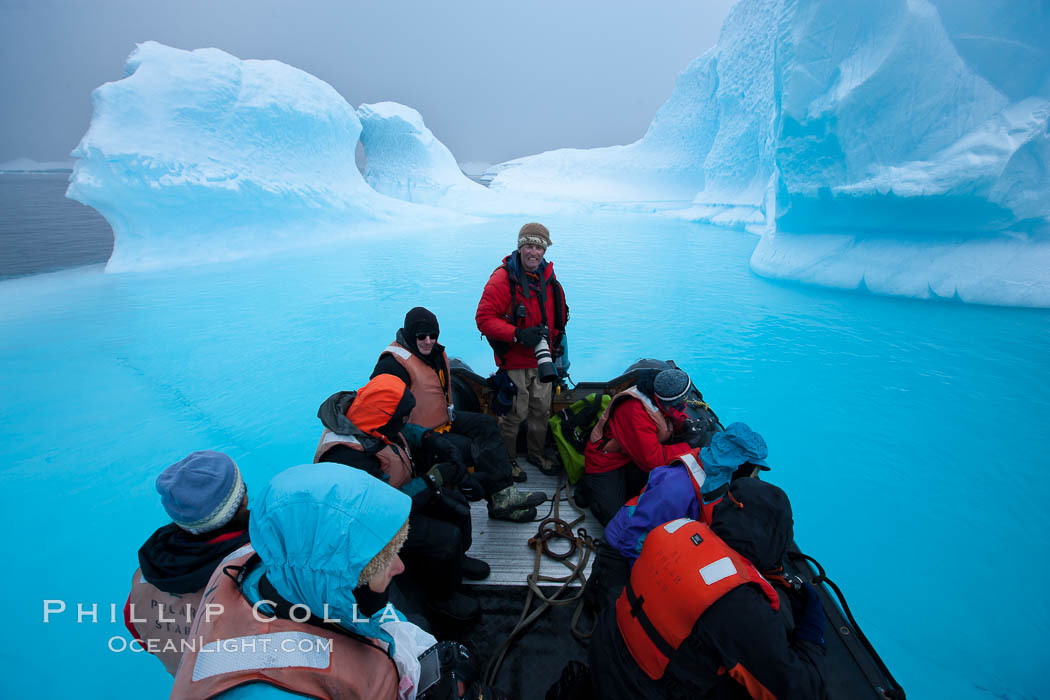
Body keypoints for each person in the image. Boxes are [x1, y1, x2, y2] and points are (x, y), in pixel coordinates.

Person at [171, 463, 506, 699]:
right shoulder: (270, 689)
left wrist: (422, 652)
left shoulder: (269, 562)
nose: (400, 568)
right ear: (337, 580)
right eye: (383, 561)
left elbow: (377, 618)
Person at [588, 478, 827, 699]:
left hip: (605, 656)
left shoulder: (676, 529)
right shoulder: (740, 605)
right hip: (636, 691)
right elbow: (800, 691)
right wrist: (812, 636)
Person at [314, 374, 486, 624]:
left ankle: (459, 561)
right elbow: (383, 507)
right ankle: (442, 598)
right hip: (373, 526)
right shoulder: (347, 456)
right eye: (403, 416)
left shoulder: (372, 418)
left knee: (457, 508)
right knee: (444, 538)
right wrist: (432, 480)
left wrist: (430, 438)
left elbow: (404, 430)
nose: (406, 420)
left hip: (402, 496)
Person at [371, 306, 546, 523]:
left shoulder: (433, 353)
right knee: (463, 447)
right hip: (418, 436)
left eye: (432, 335)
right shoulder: (392, 366)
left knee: (486, 425)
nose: (428, 341)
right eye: (421, 336)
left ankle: (503, 495)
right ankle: (488, 501)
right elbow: (379, 410)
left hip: (444, 420)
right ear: (409, 335)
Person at [124, 450, 251, 676]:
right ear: (243, 498)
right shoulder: (263, 567)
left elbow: (145, 640)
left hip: (190, 686)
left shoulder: (145, 577)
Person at [476, 222, 569, 478]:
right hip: (515, 362)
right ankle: (508, 460)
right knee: (513, 416)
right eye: (529, 246)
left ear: (544, 251)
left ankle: (536, 454)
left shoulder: (548, 279)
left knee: (541, 411)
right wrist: (517, 334)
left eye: (539, 248)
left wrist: (552, 344)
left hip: (543, 361)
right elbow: (483, 318)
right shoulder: (503, 278)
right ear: (520, 247)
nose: (534, 253)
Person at [604, 423, 770, 562]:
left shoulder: (715, 474)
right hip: (623, 547)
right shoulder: (676, 489)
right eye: (754, 468)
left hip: (656, 539)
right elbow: (635, 537)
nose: (755, 475)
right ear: (738, 464)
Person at [582, 368, 697, 526]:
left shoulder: (658, 397)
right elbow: (653, 461)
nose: (685, 403)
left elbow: (670, 420)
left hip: (632, 458)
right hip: (606, 462)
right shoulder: (634, 411)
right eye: (681, 401)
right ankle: (588, 488)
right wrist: (688, 445)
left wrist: (684, 428)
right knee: (613, 519)